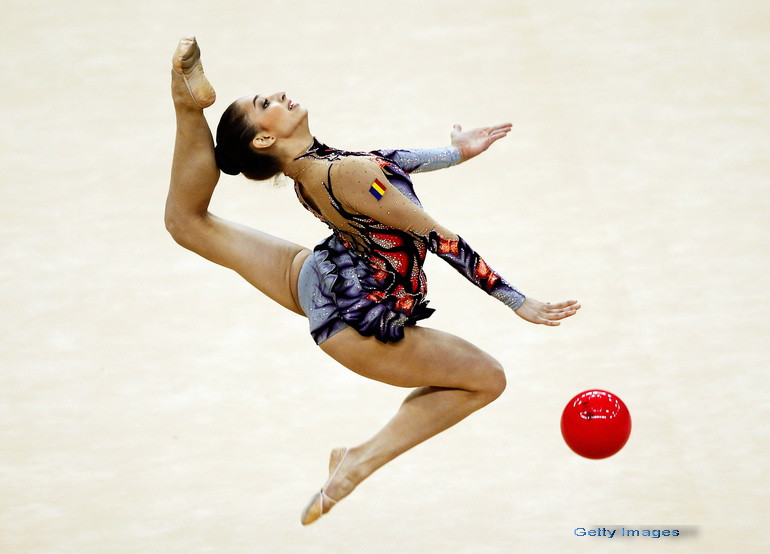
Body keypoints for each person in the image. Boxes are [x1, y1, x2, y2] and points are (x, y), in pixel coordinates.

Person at [165, 37, 580, 525]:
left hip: (322, 277)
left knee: (187, 224)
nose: (278, 95)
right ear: (263, 140)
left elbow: (384, 161)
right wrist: (515, 300)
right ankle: (357, 462)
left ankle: (186, 104)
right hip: (356, 320)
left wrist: (454, 153)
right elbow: (440, 239)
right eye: (265, 104)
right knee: (486, 380)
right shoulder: (346, 174)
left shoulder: (310, 168)